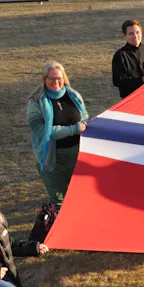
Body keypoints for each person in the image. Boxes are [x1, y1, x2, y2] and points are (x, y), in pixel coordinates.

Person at [26, 62, 89, 207]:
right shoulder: (35, 102)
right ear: (44, 79)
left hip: (77, 155)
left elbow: (84, 118)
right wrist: (74, 129)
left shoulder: (74, 96)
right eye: (51, 78)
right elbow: (42, 132)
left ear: (64, 78)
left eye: (59, 78)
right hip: (51, 157)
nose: (56, 82)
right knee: (59, 200)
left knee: (78, 195)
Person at [112, 19, 144, 98]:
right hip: (131, 99)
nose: (135, 36)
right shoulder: (121, 55)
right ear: (125, 36)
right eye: (131, 33)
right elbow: (118, 81)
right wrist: (142, 80)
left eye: (137, 32)